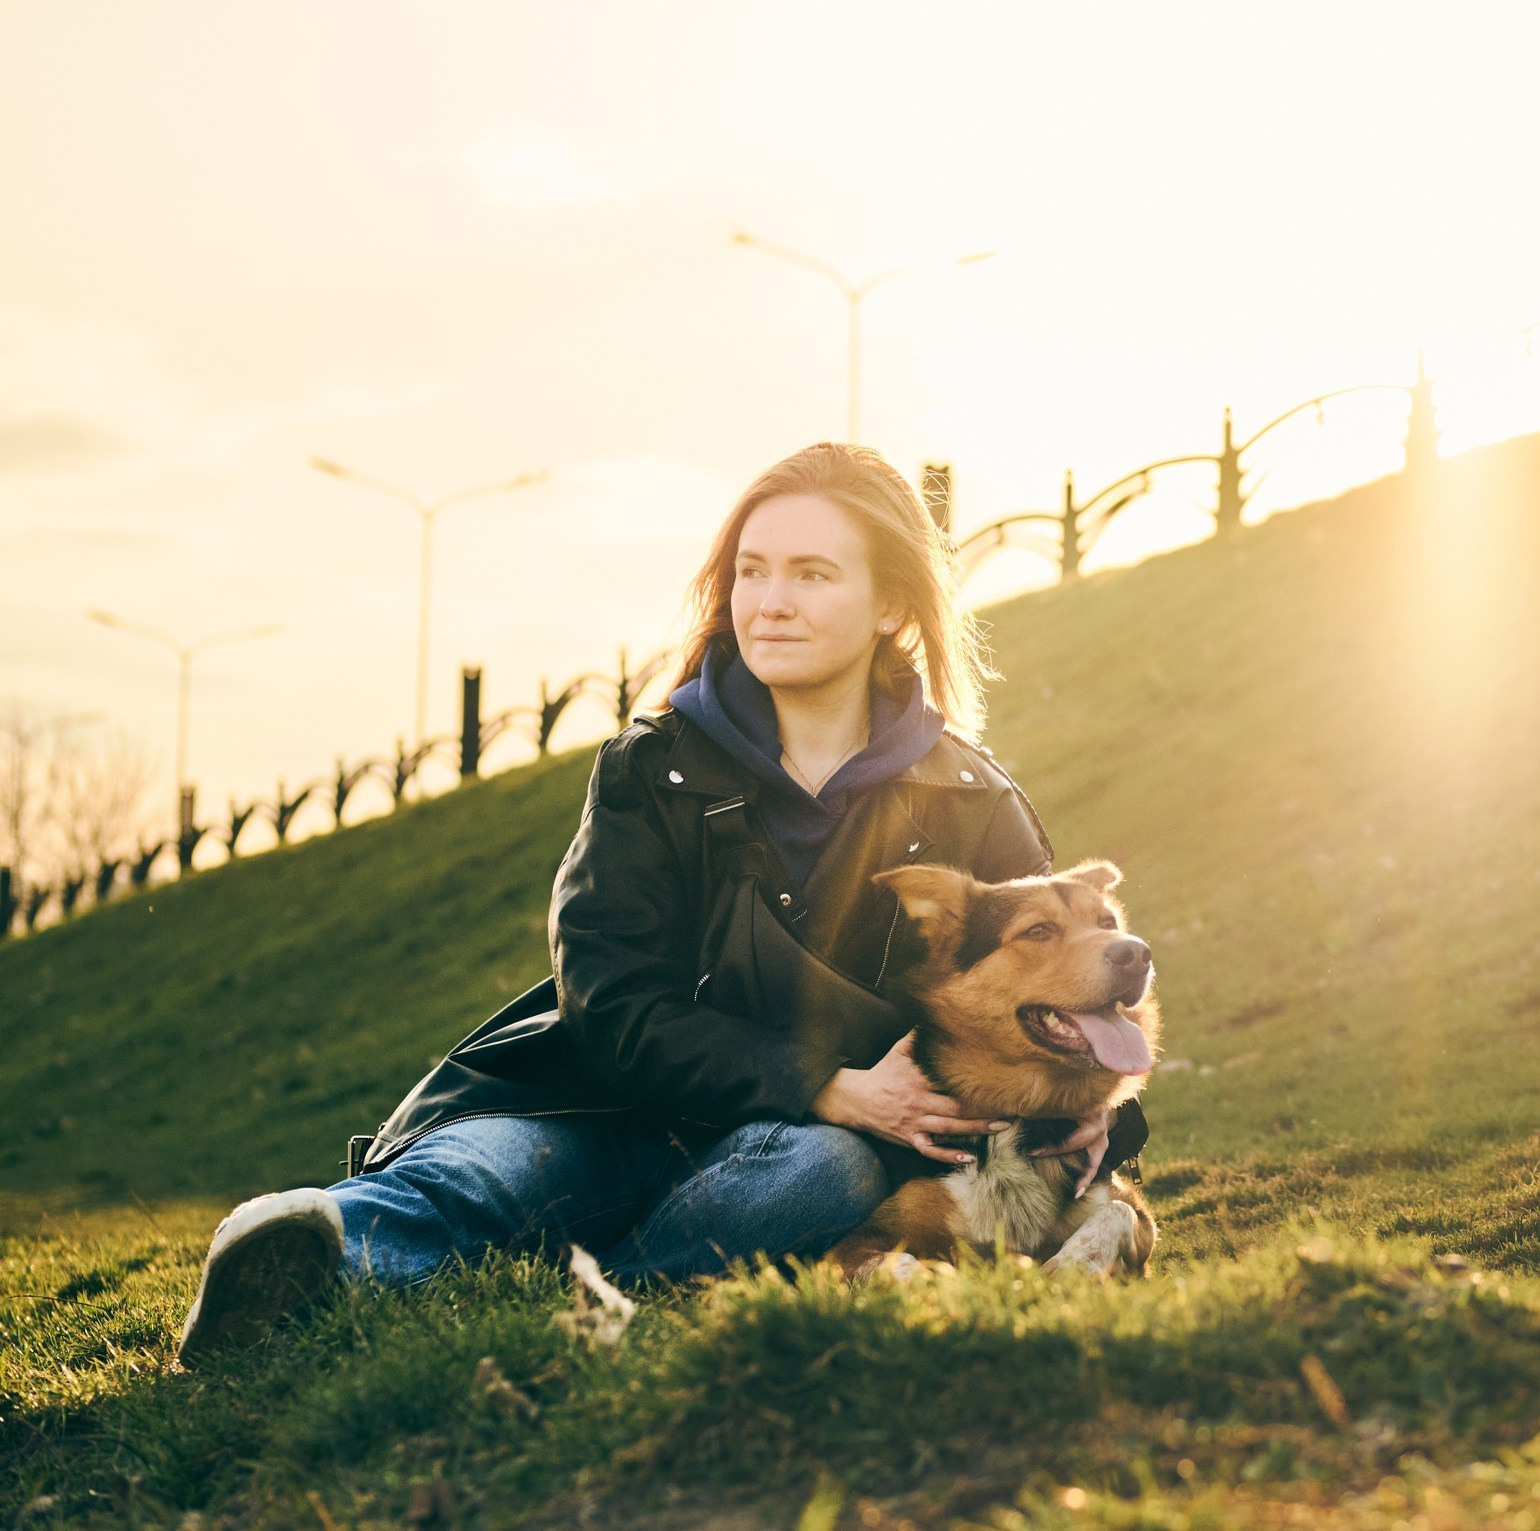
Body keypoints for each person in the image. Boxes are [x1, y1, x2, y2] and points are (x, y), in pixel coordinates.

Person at [177, 443, 1140, 1365]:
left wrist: (1109, 1126)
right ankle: (303, 1255)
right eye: (752, 571)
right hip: (594, 1106)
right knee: (479, 1175)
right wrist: (825, 1082)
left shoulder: (975, 802)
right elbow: (611, 999)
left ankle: (586, 1281)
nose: (770, 601)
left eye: (812, 574)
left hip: (797, 1154)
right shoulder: (650, 767)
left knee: (825, 1176)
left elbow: (1061, 991)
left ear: (891, 601)